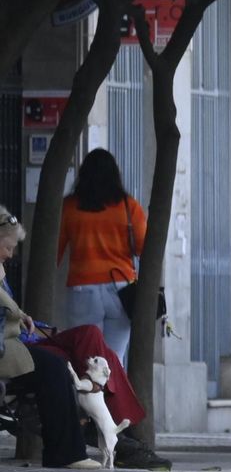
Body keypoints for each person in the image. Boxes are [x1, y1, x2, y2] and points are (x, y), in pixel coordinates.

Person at [0, 208, 98, 469]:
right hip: (4, 349)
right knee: (53, 368)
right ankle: (66, 454)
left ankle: (71, 450)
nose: (10, 255)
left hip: (11, 343)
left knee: (58, 363)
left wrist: (21, 316)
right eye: (7, 247)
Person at [56, 148, 144, 364]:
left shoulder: (69, 207)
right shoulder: (128, 205)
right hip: (121, 289)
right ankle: (114, 397)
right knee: (114, 360)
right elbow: (144, 248)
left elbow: (53, 252)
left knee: (86, 359)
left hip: (82, 290)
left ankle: (90, 397)